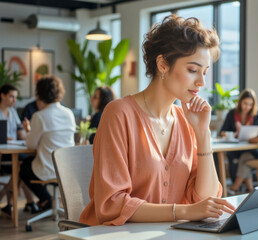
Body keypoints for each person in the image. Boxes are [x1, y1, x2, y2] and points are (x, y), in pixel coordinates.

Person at [79, 15, 235, 226]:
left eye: (205, 72)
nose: (201, 82)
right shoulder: (118, 114)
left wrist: (203, 133)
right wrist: (184, 211)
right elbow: (112, 204)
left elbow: (205, 200)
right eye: (192, 70)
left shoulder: (185, 122)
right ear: (162, 64)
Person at [19, 75, 76, 211]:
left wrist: (28, 131)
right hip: (66, 169)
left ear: (40, 94)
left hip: (47, 169)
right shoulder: (69, 113)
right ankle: (48, 201)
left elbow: (31, 145)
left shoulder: (39, 116)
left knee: (23, 168)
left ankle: (46, 198)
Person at [0, 84, 38, 217]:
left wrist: (27, 130)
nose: (14, 101)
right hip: (3, 154)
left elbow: (20, 134)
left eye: (15, 97)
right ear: (2, 95)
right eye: (11, 96)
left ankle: (10, 204)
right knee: (22, 167)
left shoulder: (13, 112)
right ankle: (29, 201)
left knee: (23, 165)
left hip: (14, 150)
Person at [219, 89, 258, 193]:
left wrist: (254, 135)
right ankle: (249, 189)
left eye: (250, 104)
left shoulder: (257, 114)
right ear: (240, 102)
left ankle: (236, 188)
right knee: (244, 158)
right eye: (245, 103)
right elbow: (222, 132)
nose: (247, 107)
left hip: (251, 148)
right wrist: (235, 133)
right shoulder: (232, 114)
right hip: (236, 149)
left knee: (246, 156)